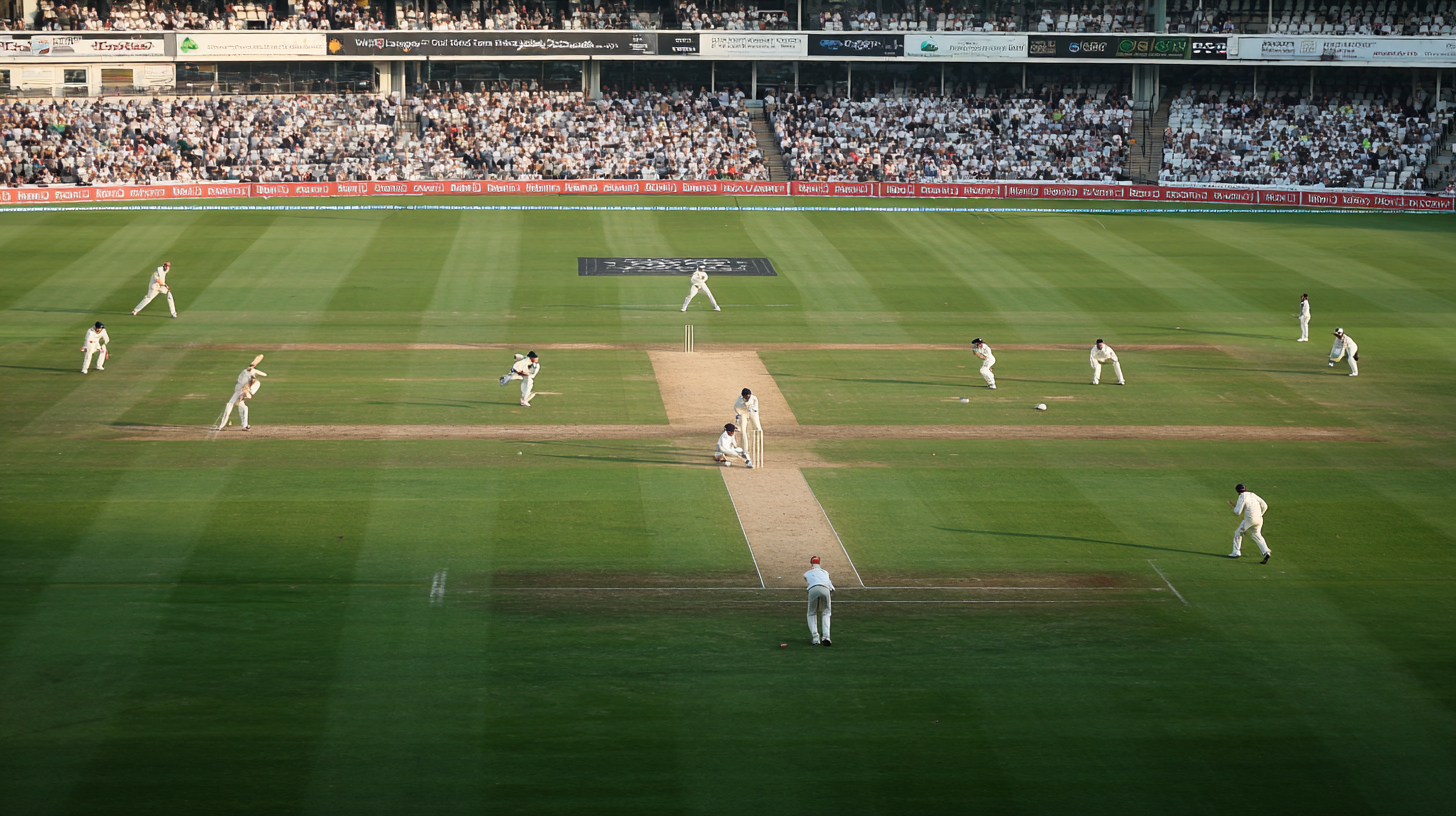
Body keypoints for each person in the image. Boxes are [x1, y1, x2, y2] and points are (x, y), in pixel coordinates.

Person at [218, 357, 266, 431]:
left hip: (241, 393)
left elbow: (249, 394)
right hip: (238, 392)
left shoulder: (253, 379)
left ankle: (245, 425)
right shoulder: (246, 371)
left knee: (243, 408)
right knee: (229, 405)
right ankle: (222, 425)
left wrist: (243, 395)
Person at [1227, 483, 1271, 563]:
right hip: (1259, 518)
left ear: (1238, 491)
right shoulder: (1252, 494)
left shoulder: (1242, 496)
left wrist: (1233, 507)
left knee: (1238, 533)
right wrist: (1260, 514)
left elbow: (1238, 512)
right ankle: (1266, 552)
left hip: (1250, 519)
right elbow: (1265, 505)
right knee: (1257, 535)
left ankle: (1236, 552)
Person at [804, 555, 834, 646]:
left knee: (811, 613)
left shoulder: (807, 573)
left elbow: (806, 579)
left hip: (813, 589)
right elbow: (831, 587)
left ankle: (815, 638)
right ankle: (826, 637)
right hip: (825, 589)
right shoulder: (825, 572)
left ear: (811, 563)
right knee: (826, 613)